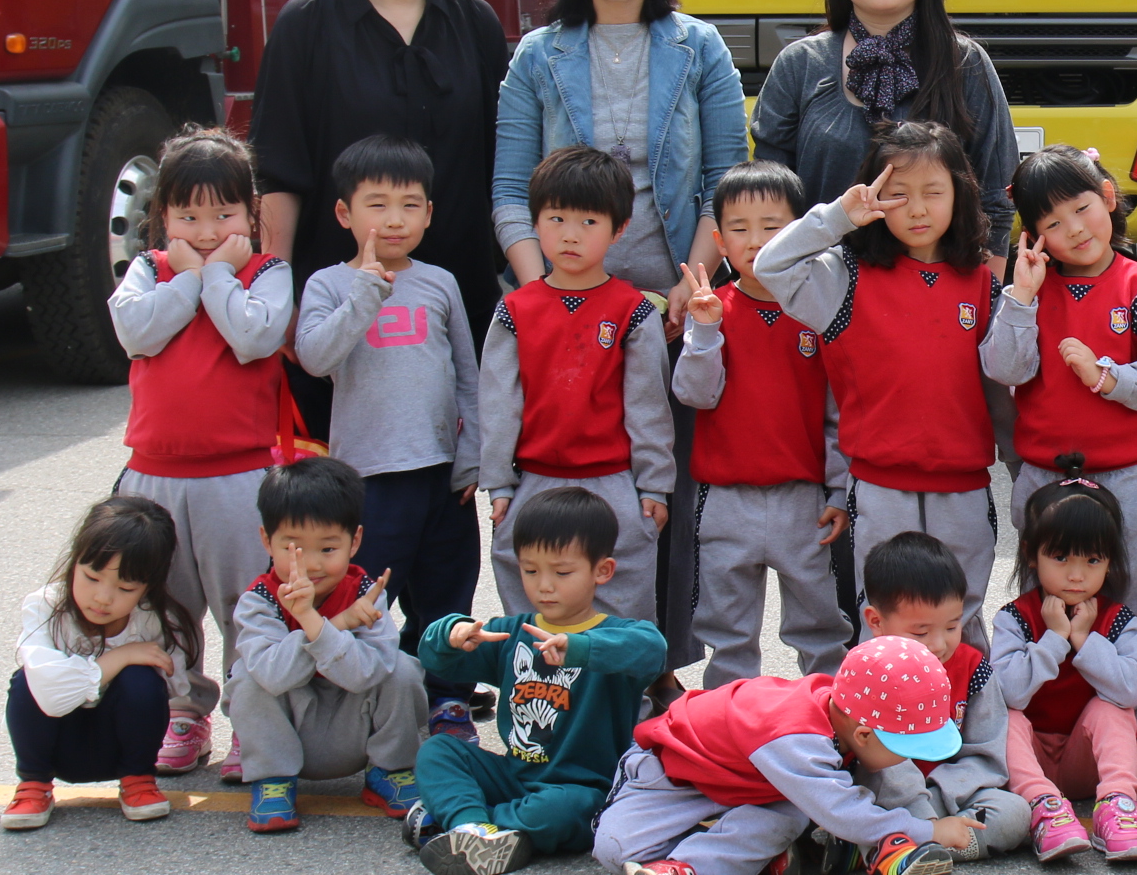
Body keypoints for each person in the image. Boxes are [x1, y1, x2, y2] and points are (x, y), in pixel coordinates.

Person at [252, 0, 512, 407]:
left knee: (460, 448)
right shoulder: (307, 25)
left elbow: (504, 167)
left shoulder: (475, 24)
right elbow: (278, 172)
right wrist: (279, 292)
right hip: (341, 301)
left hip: (459, 296)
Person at [753, 122, 1002, 650]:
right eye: (898, 194)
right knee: (887, 623)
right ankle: (884, 708)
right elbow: (770, 266)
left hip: (964, 485)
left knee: (962, 623)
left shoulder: (982, 281)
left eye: (933, 192)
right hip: (879, 485)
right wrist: (838, 217)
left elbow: (1007, 387)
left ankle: (968, 708)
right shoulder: (844, 275)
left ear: (959, 193)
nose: (917, 209)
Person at [984, 144, 1137, 745]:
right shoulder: (1030, 291)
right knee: (1042, 600)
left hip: (1122, 474)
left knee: (1135, 598)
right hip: (1043, 476)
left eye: (1081, 209)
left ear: (1106, 198)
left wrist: (1106, 376)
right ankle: (1040, 719)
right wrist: (1021, 297)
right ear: (1034, 236)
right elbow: (1003, 368)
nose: (1074, 230)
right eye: (1052, 223)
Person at [107, 127, 290, 775]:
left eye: (224, 214)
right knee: (166, 608)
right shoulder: (148, 271)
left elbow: (253, 337)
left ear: (251, 211)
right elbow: (137, 332)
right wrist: (188, 278)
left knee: (248, 605)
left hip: (240, 476)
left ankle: (253, 716)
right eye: (189, 216)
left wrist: (213, 276)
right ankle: (183, 713)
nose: (208, 230)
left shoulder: (267, 274)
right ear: (163, 216)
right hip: (153, 475)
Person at [490, 0, 745, 320]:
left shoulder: (701, 47)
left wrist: (693, 284)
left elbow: (725, 182)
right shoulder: (537, 55)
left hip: (679, 303)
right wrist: (541, 295)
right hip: (565, 301)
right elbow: (511, 189)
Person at [290, 134, 481, 738]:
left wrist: (473, 455)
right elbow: (314, 356)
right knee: (368, 593)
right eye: (377, 204)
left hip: (442, 471)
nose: (395, 219)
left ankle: (447, 696)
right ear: (344, 213)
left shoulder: (440, 282)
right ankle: (357, 698)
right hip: (369, 477)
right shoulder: (328, 284)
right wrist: (365, 294)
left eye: (409, 205)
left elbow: (468, 378)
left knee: (448, 591)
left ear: (429, 213)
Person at [597, 634, 975, 875]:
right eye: (904, 748)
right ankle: (753, 853)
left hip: (751, 786)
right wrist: (930, 831)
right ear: (862, 735)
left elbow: (855, 793)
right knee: (617, 850)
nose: (909, 758)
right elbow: (842, 810)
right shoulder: (795, 737)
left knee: (789, 816)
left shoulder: (843, 711)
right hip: (674, 776)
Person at [406, 488, 668, 875]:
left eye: (561, 573)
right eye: (530, 571)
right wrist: (449, 634)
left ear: (602, 571)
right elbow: (437, 660)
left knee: (561, 811)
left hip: (582, 788)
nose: (544, 585)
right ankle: (471, 828)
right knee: (438, 750)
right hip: (514, 776)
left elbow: (652, 650)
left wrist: (580, 648)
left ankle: (468, 822)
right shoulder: (512, 634)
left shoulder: (615, 636)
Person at [752, 0, 1019, 245]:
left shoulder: (964, 63)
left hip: (939, 279)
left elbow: (996, 203)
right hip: (820, 277)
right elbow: (769, 204)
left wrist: (987, 281)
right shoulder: (799, 64)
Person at [671, 161, 851, 686]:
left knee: (819, 624)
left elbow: (838, 412)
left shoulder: (817, 312)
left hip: (804, 500)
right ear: (719, 241)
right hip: (726, 499)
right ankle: (728, 719)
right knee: (726, 629)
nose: (755, 241)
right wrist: (706, 333)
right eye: (740, 228)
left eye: (773, 227)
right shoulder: (713, 309)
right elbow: (695, 394)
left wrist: (839, 489)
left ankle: (828, 713)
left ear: (800, 234)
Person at [478, 146, 674, 625]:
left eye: (589, 222)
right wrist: (498, 482)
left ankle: (619, 674)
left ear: (619, 228)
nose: (570, 235)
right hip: (534, 480)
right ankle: (532, 672)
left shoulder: (634, 311)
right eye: (556, 218)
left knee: (622, 592)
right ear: (535, 222)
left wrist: (654, 483)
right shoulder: (515, 311)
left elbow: (648, 405)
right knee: (529, 594)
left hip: (613, 481)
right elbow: (499, 403)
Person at [222, 458, 427, 834]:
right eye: (293, 548)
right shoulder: (259, 601)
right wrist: (333, 624)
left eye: (328, 549)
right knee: (247, 677)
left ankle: (390, 769)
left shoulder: (366, 593)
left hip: (354, 725)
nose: (312, 565)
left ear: (355, 541)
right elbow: (273, 676)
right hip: (288, 730)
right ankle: (273, 780)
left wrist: (318, 625)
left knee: (401, 667)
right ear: (267, 541)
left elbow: (368, 673)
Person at [1, 497, 200, 831]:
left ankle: (138, 780)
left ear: (148, 587)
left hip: (120, 746)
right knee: (27, 681)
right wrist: (120, 656)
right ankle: (33, 785)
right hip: (57, 740)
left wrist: (133, 668)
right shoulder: (45, 607)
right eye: (92, 577)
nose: (103, 598)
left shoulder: (155, 620)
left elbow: (175, 688)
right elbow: (51, 697)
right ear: (75, 561)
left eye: (125, 587)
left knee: (143, 679)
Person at [989, 477, 1137, 865]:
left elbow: (1130, 691)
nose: (1076, 575)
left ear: (1110, 561)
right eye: (1061, 558)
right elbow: (1008, 693)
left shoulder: (1120, 621)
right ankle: (1043, 808)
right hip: (1026, 762)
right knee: (1005, 716)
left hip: (1087, 763)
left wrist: (1083, 639)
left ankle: (1117, 806)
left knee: (1113, 707)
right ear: (1032, 554)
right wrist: (1053, 639)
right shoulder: (1014, 618)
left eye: (1092, 560)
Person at [855, 531, 1030, 861]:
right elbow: (872, 761)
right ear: (876, 621)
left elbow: (986, 754)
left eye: (951, 627)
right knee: (879, 778)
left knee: (1014, 813)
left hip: (954, 795)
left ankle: (898, 849)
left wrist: (940, 795)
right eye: (920, 632)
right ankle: (918, 840)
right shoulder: (866, 672)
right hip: (886, 799)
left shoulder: (973, 669)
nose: (938, 645)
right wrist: (924, 813)